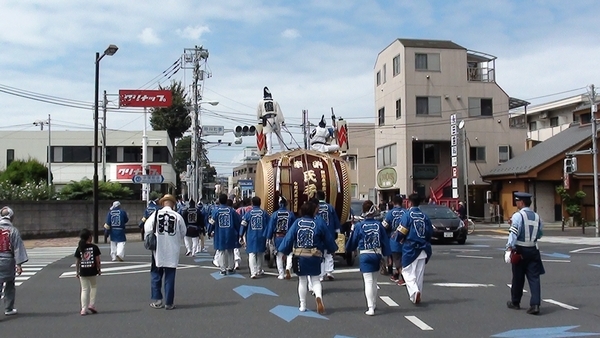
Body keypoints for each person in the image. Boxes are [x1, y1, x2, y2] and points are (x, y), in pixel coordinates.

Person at [278, 201, 338, 314]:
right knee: (315, 279)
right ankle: (318, 297)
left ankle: (302, 305)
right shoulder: (319, 223)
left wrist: (284, 252)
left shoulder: (297, 222)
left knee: (302, 280)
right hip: (315, 255)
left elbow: (289, 238)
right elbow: (328, 239)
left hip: (300, 256)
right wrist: (332, 250)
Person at [346, 200, 390, 316]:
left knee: (368, 281)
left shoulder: (360, 225)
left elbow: (353, 241)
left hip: (365, 254)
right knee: (374, 281)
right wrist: (386, 255)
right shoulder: (378, 225)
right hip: (377, 254)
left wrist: (349, 248)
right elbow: (385, 241)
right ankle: (374, 304)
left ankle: (370, 307)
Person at [144, 194, 186, 310]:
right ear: (173, 204)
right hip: (172, 250)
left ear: (162, 203)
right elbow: (183, 232)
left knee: (156, 274)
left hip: (158, 249)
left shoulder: (155, 215)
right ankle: (169, 302)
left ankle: (158, 300)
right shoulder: (177, 216)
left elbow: (147, 228)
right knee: (170, 276)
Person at [505, 192, 544, 315]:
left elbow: (513, 233)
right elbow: (540, 234)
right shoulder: (537, 217)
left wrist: (509, 247)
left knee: (518, 277)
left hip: (520, 249)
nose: (516, 203)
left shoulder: (518, 216)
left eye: (517, 201)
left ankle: (515, 302)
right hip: (533, 249)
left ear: (521, 202)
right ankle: (535, 304)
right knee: (534, 278)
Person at [394, 194, 433, 304]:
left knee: (407, 272)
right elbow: (430, 232)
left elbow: (402, 230)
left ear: (410, 203)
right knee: (419, 274)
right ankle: (417, 295)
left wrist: (398, 239)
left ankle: (415, 292)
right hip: (424, 248)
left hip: (410, 247)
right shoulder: (424, 216)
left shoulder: (408, 215)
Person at [0, 206, 28, 316]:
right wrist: (19, 265)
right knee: (10, 285)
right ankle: (8, 308)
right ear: (11, 217)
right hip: (8, 261)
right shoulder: (13, 231)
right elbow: (17, 248)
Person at [207, 194, 242, 275]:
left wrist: (209, 231)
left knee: (221, 251)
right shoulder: (232, 211)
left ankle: (222, 269)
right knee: (230, 251)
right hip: (230, 233)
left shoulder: (216, 211)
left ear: (219, 200)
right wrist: (239, 233)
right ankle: (230, 267)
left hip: (220, 234)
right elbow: (238, 222)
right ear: (227, 200)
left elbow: (212, 222)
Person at [266, 196, 296, 280]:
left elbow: (271, 227)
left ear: (279, 204)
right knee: (289, 254)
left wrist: (268, 237)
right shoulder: (291, 214)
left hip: (278, 237)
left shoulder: (275, 214)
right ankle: (288, 268)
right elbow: (294, 227)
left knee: (279, 255)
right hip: (288, 236)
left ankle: (281, 274)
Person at [240, 196, 270, 279]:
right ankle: (259, 270)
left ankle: (253, 272)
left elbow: (243, 224)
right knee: (261, 253)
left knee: (252, 254)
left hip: (251, 236)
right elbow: (269, 225)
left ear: (252, 203)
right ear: (260, 203)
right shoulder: (264, 213)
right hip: (262, 236)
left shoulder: (248, 213)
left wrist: (241, 234)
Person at [74, 228, 101, 316]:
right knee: (93, 286)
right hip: (92, 270)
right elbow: (97, 260)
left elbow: (77, 261)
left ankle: (83, 309)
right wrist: (99, 269)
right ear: (89, 237)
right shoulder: (94, 247)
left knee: (84, 289)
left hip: (83, 271)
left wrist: (77, 271)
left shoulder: (80, 248)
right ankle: (92, 304)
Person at [316, 190, 341, 281]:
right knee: (329, 253)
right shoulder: (330, 207)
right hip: (329, 232)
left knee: (320, 254)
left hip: (318, 233)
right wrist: (337, 231)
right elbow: (335, 220)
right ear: (324, 197)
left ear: (317, 197)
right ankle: (329, 271)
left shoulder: (315, 207)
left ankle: (321, 275)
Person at [382, 194, 406, 285]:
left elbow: (384, 225)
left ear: (393, 203)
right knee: (403, 258)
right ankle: (396, 274)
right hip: (405, 239)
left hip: (394, 238)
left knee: (396, 259)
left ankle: (403, 277)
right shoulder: (406, 212)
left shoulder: (390, 213)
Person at [256, 86, 286, 155]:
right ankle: (282, 149)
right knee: (279, 134)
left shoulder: (261, 102)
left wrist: (259, 118)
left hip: (267, 119)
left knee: (268, 136)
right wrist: (282, 121)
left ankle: (269, 151)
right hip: (275, 118)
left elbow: (258, 112)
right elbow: (279, 112)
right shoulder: (274, 101)